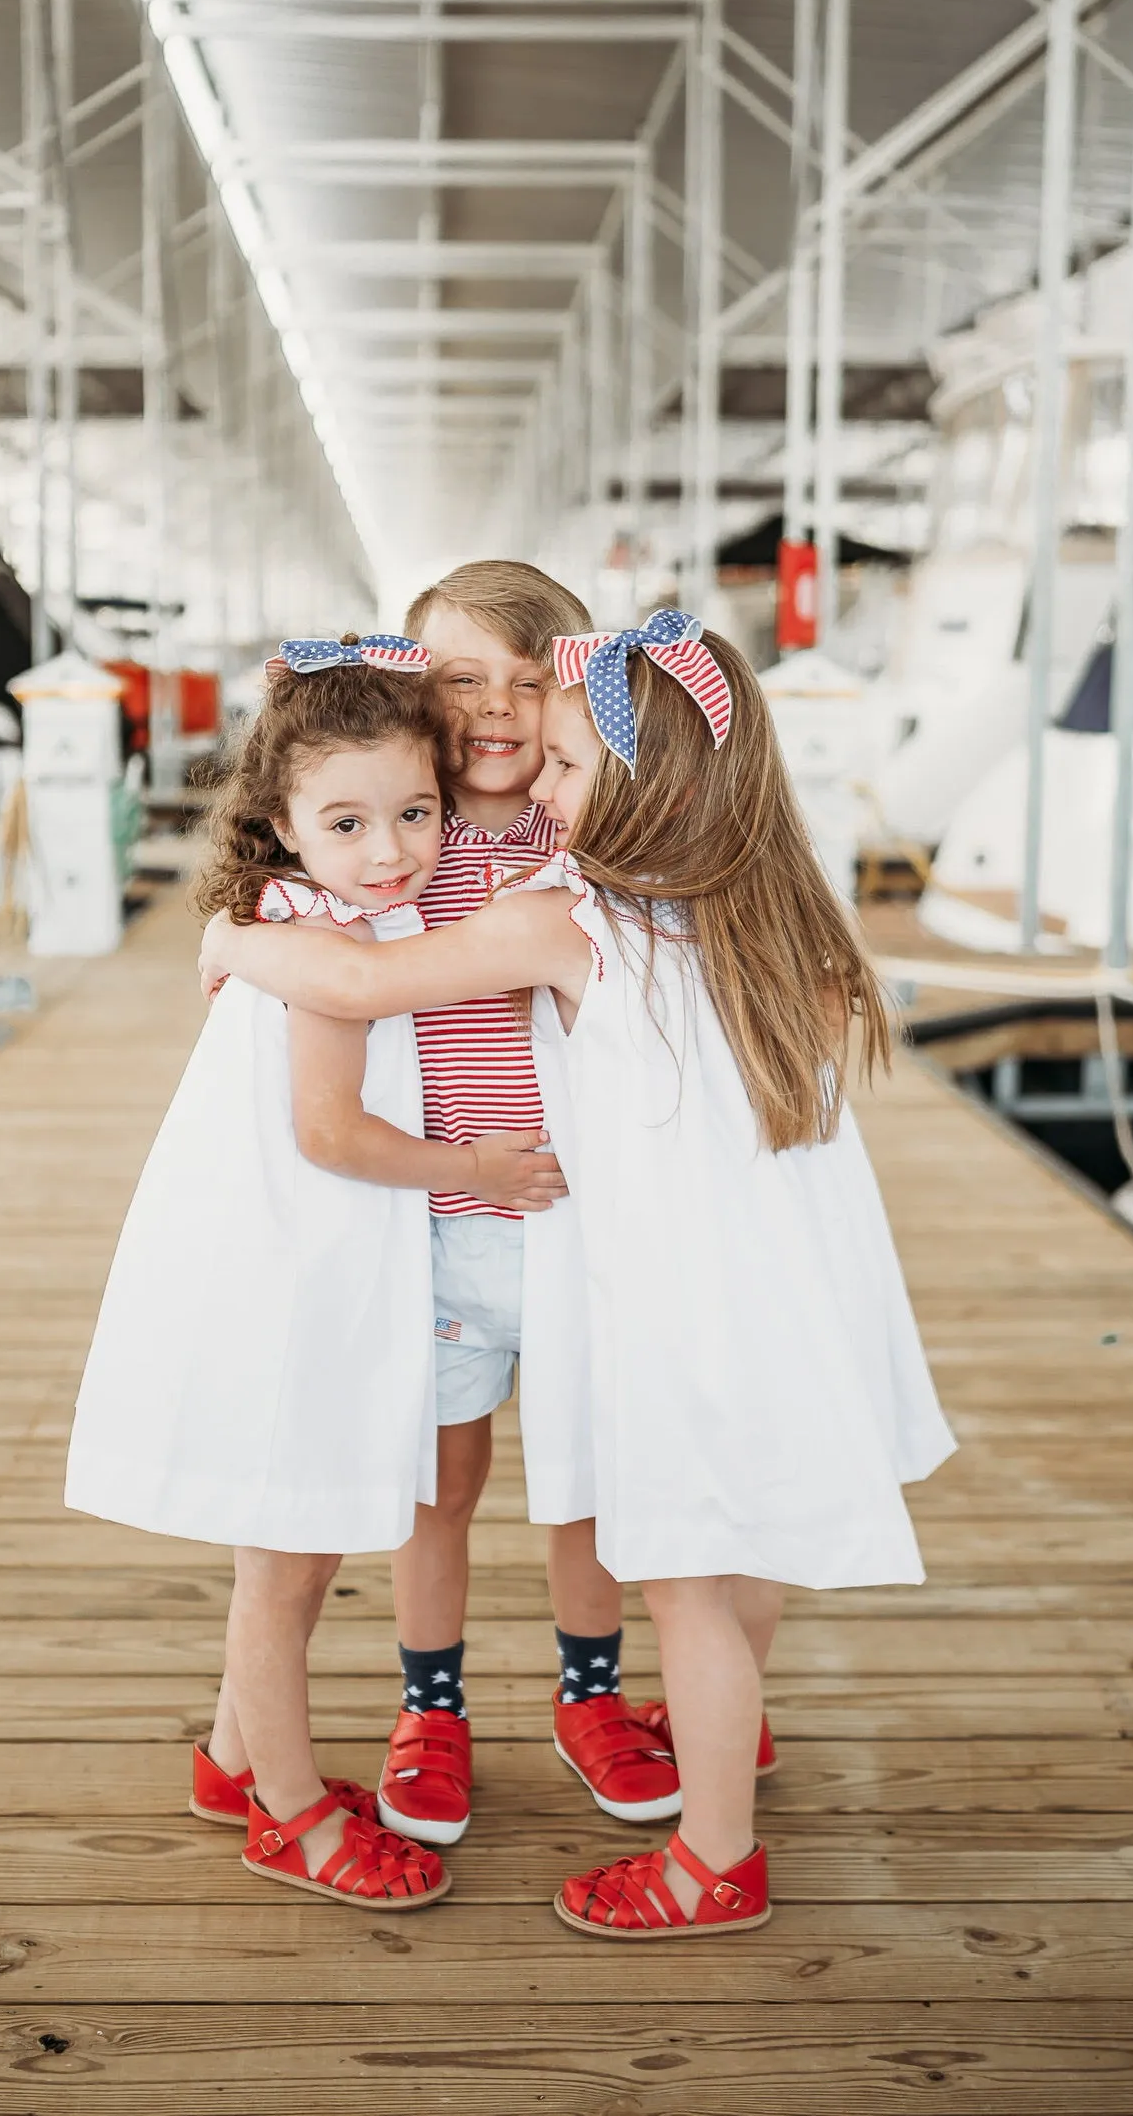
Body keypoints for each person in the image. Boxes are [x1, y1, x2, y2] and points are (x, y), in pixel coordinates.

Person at [200, 608, 957, 1941]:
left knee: (688, 1582)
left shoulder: (570, 924)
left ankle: (710, 1859)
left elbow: (363, 987)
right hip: (789, 1287)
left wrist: (229, 943)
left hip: (677, 1297)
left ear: (643, 787)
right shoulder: (770, 911)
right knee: (742, 1558)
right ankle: (708, 1729)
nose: (541, 795)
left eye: (564, 768)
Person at [65, 634, 564, 1913]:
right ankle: (291, 1817)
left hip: (293, 1254)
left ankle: (232, 1764)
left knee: (291, 1549)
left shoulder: (308, 917)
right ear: (278, 823)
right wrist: (480, 1168)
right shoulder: (327, 940)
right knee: (284, 1568)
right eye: (347, 820)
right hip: (289, 1271)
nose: (391, 847)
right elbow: (331, 1133)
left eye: (413, 812)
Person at [380, 561, 684, 1850]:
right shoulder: (390, 832)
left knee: (585, 1487)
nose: (496, 709)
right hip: (440, 1225)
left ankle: (591, 1693)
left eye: (525, 678)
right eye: (461, 678)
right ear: (414, 687)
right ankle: (430, 1707)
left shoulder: (584, 833)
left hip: (574, 1226)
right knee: (435, 1486)